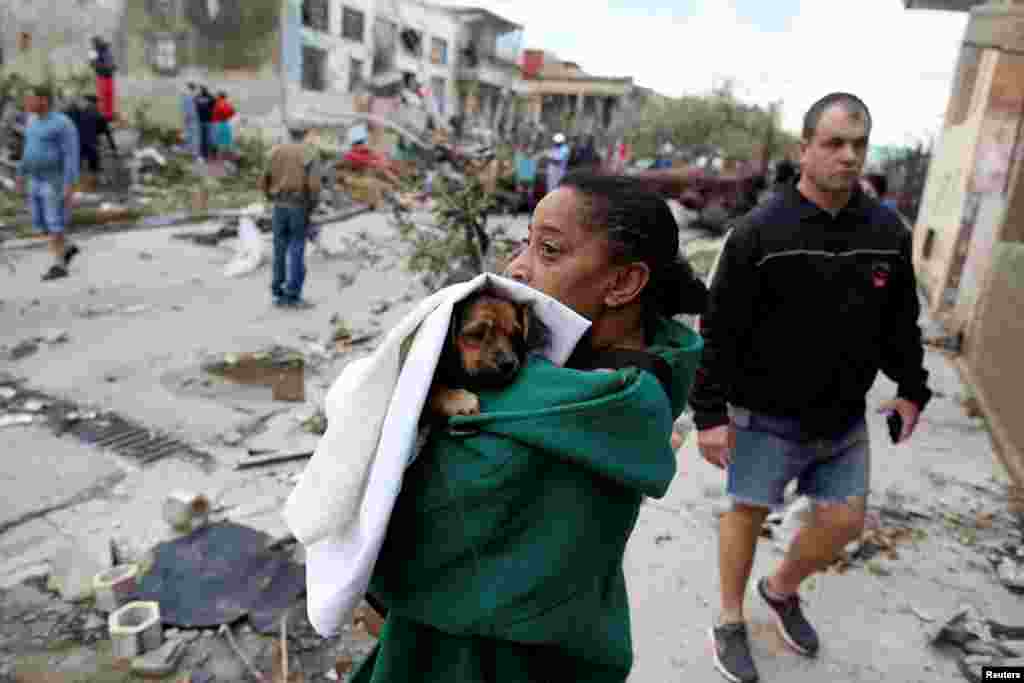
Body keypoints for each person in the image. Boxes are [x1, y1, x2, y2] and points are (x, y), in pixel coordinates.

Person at [351, 171, 709, 682]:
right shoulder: (639, 370)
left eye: (549, 250)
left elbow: (413, 556)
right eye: (524, 242)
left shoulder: (539, 416)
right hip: (569, 647)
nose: (518, 268)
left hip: (478, 663)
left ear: (623, 283)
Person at [690, 92, 932, 683]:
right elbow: (717, 326)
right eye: (834, 144)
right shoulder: (758, 232)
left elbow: (900, 318)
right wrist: (708, 413)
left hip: (843, 417)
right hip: (764, 413)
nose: (848, 158)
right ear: (805, 150)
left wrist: (911, 387)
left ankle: (780, 588)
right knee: (746, 514)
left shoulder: (885, 231)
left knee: (846, 522)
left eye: (859, 145)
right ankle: (728, 619)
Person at [14, 85, 81, 281]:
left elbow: (71, 156)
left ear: (43, 100)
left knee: (54, 223)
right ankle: (66, 248)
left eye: (30, 99)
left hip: (54, 181)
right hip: (34, 180)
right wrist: (20, 174)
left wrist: (70, 186)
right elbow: (28, 150)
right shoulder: (32, 120)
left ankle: (59, 266)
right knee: (40, 223)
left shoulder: (63, 124)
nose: (26, 103)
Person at [258, 127, 321, 308]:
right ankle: (292, 294)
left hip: (279, 205)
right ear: (306, 134)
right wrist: (311, 207)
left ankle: (277, 290)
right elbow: (314, 186)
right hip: (298, 206)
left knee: (279, 247)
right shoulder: (310, 153)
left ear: (289, 133)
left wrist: (271, 198)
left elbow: (263, 180)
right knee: (297, 247)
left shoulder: (275, 151)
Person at [74, 95, 118, 190]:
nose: (99, 105)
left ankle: (81, 187)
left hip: (78, 144)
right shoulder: (99, 116)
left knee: (79, 166)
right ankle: (90, 188)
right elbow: (107, 133)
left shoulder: (78, 114)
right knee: (93, 167)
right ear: (94, 103)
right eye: (98, 103)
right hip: (92, 144)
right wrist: (113, 148)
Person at [89, 36, 117, 121]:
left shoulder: (106, 50)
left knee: (107, 96)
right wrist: (108, 67)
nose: (94, 45)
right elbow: (93, 64)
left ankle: (108, 115)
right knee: (105, 97)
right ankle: (105, 116)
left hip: (107, 76)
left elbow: (110, 62)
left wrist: (111, 66)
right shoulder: (93, 52)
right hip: (103, 76)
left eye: (94, 43)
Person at [211, 91, 236, 161]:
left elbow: (214, 113)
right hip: (225, 123)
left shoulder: (217, 103)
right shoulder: (226, 104)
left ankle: (216, 156)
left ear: (219, 96)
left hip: (217, 123)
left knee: (216, 140)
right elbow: (233, 112)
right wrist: (228, 116)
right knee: (227, 141)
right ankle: (227, 156)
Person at [193, 86, 215, 161]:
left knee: (202, 138)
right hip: (209, 121)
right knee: (208, 138)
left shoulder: (197, 98)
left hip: (201, 120)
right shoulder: (211, 97)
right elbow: (214, 106)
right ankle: (208, 154)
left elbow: (195, 105)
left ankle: (202, 154)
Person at [181, 83, 200, 159]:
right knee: (194, 135)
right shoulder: (196, 97)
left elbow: (187, 110)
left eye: (186, 88)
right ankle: (193, 151)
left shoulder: (187, 97)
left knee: (190, 134)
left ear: (189, 88)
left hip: (190, 118)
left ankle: (190, 151)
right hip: (195, 118)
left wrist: (186, 117)